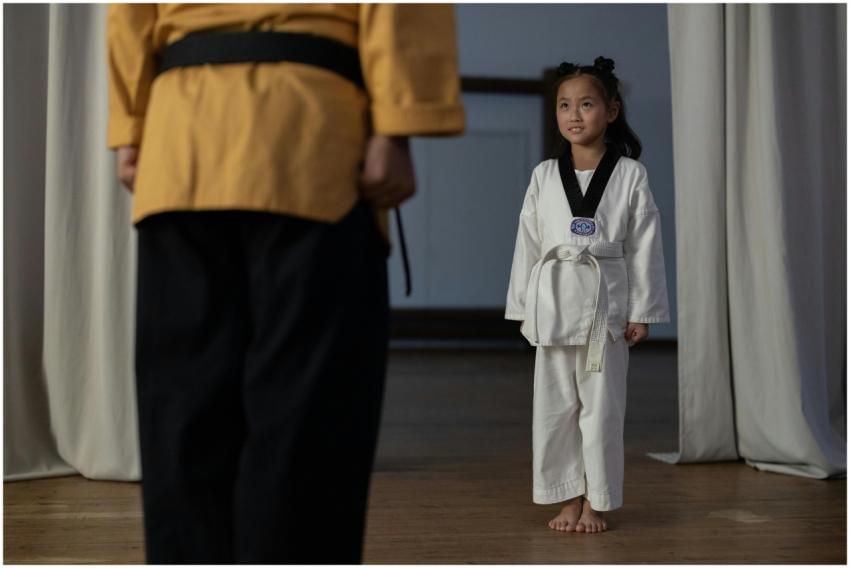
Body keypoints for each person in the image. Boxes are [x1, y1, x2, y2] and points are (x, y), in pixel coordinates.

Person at [106, 4, 464, 563]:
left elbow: (128, 10)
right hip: (310, 139)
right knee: (306, 417)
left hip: (181, 145)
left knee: (184, 414)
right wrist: (401, 122)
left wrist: (131, 123)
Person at [505, 56, 669, 534]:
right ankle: (568, 497)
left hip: (606, 310)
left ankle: (596, 501)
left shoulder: (630, 175)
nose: (574, 115)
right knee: (555, 411)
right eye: (564, 105)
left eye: (587, 104)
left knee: (601, 413)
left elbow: (644, 243)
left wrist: (643, 311)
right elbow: (528, 245)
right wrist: (522, 308)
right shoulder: (543, 174)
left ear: (612, 111)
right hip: (553, 304)